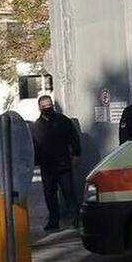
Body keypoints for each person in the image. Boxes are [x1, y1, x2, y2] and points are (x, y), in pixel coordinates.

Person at [32, 94, 81, 231]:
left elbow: (74, 138)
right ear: (40, 108)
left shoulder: (63, 121)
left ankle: (75, 219)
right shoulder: (37, 126)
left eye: (49, 105)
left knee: (69, 193)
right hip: (47, 167)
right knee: (50, 195)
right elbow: (34, 146)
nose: (47, 108)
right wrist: (36, 161)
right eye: (44, 106)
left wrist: (76, 154)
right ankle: (54, 220)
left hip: (63, 164)